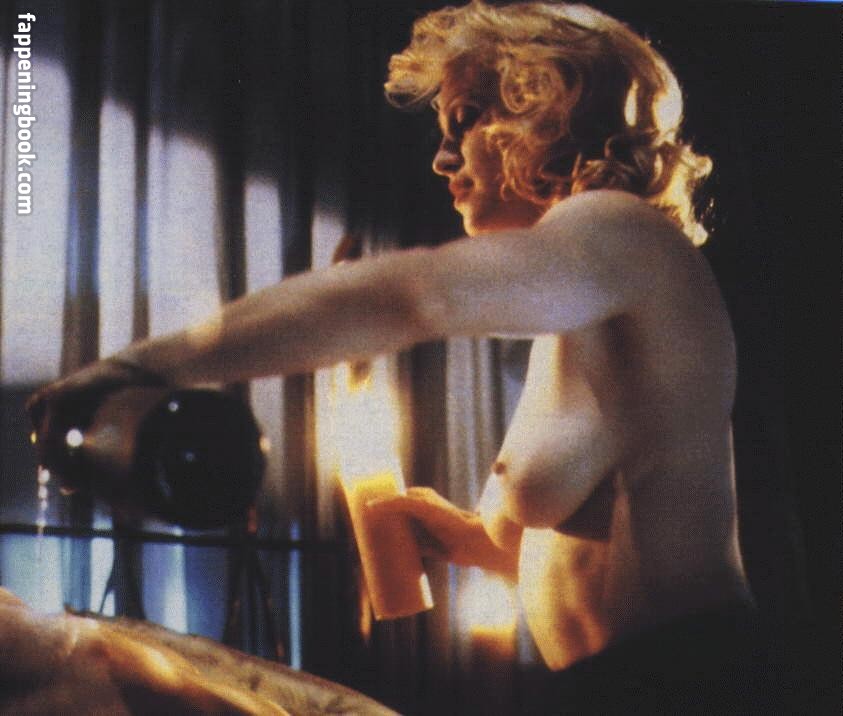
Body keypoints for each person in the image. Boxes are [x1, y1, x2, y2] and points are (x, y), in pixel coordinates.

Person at [21, 1, 783, 712]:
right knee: (106, 666)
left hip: (690, 685)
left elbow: (414, 296)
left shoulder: (624, 232)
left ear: (548, 111)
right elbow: (589, 548)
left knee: (92, 666)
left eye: (466, 120)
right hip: (602, 691)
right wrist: (468, 538)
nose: (443, 160)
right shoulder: (585, 306)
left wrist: (140, 368)